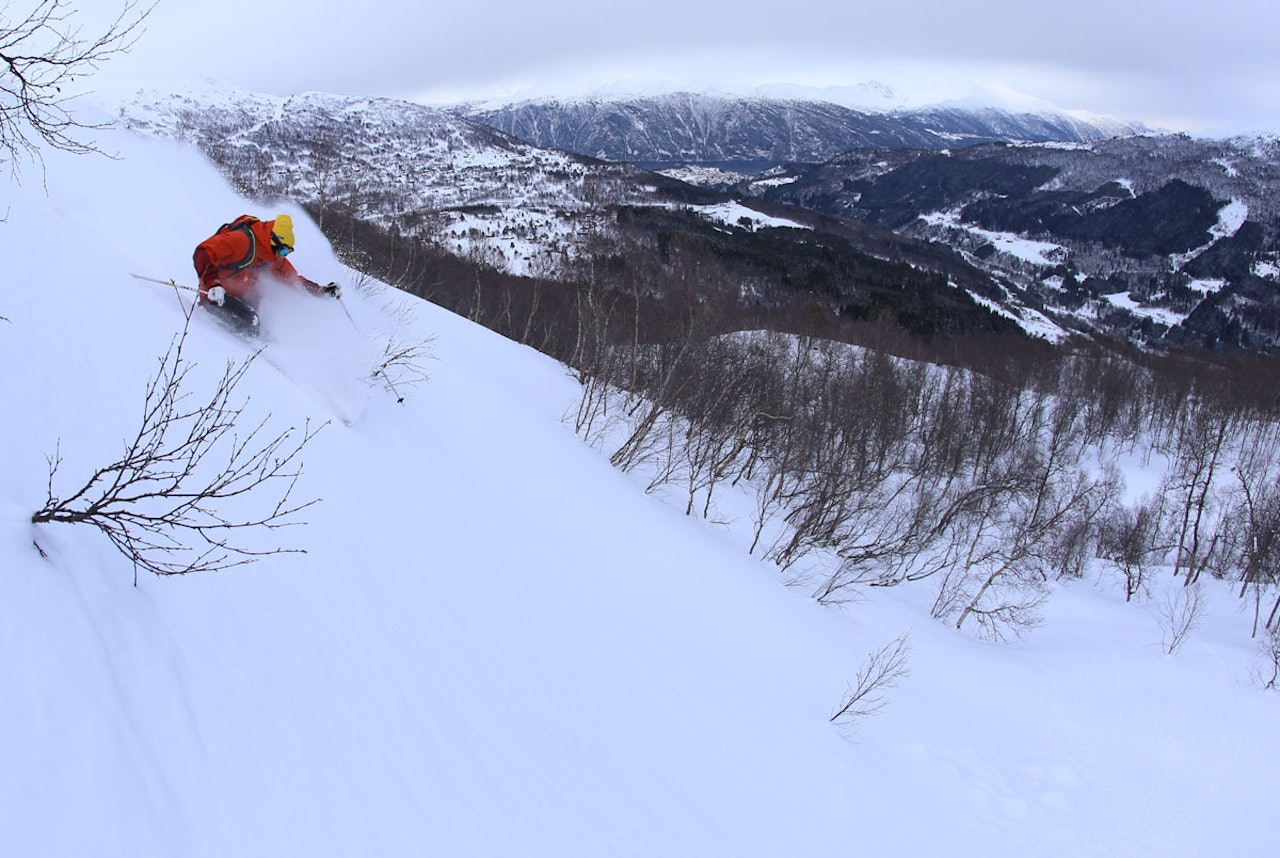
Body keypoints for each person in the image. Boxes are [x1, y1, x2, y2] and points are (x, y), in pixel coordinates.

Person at [192, 213, 341, 332]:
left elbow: (293, 280)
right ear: (273, 240)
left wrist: (321, 291)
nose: (283, 255)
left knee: (260, 326)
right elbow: (203, 252)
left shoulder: (271, 258)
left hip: (243, 300)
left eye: (288, 251)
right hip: (217, 297)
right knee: (251, 323)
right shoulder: (241, 241)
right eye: (283, 250)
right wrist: (213, 284)